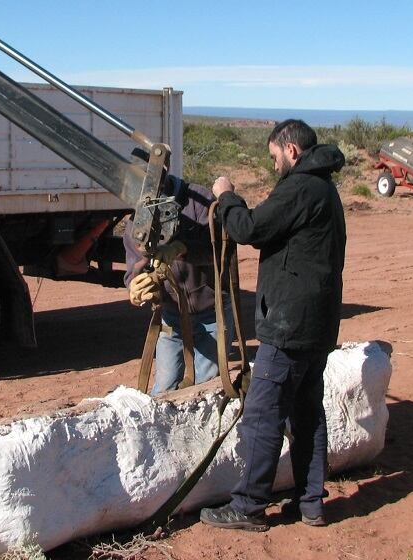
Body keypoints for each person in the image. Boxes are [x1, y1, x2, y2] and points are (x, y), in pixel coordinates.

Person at [199, 119, 346, 531]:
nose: (274, 164)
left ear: (291, 151)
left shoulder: (301, 188)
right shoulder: (324, 189)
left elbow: (251, 228)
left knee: (263, 415)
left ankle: (248, 506)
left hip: (290, 326)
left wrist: (226, 196)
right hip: (316, 326)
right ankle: (311, 503)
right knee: (307, 415)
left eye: (274, 156)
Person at [124, 175, 233, 395]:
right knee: (163, 389)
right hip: (171, 315)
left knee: (206, 389)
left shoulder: (200, 201)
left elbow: (220, 250)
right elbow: (134, 267)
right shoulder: (137, 219)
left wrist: (182, 248)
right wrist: (135, 285)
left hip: (212, 311)